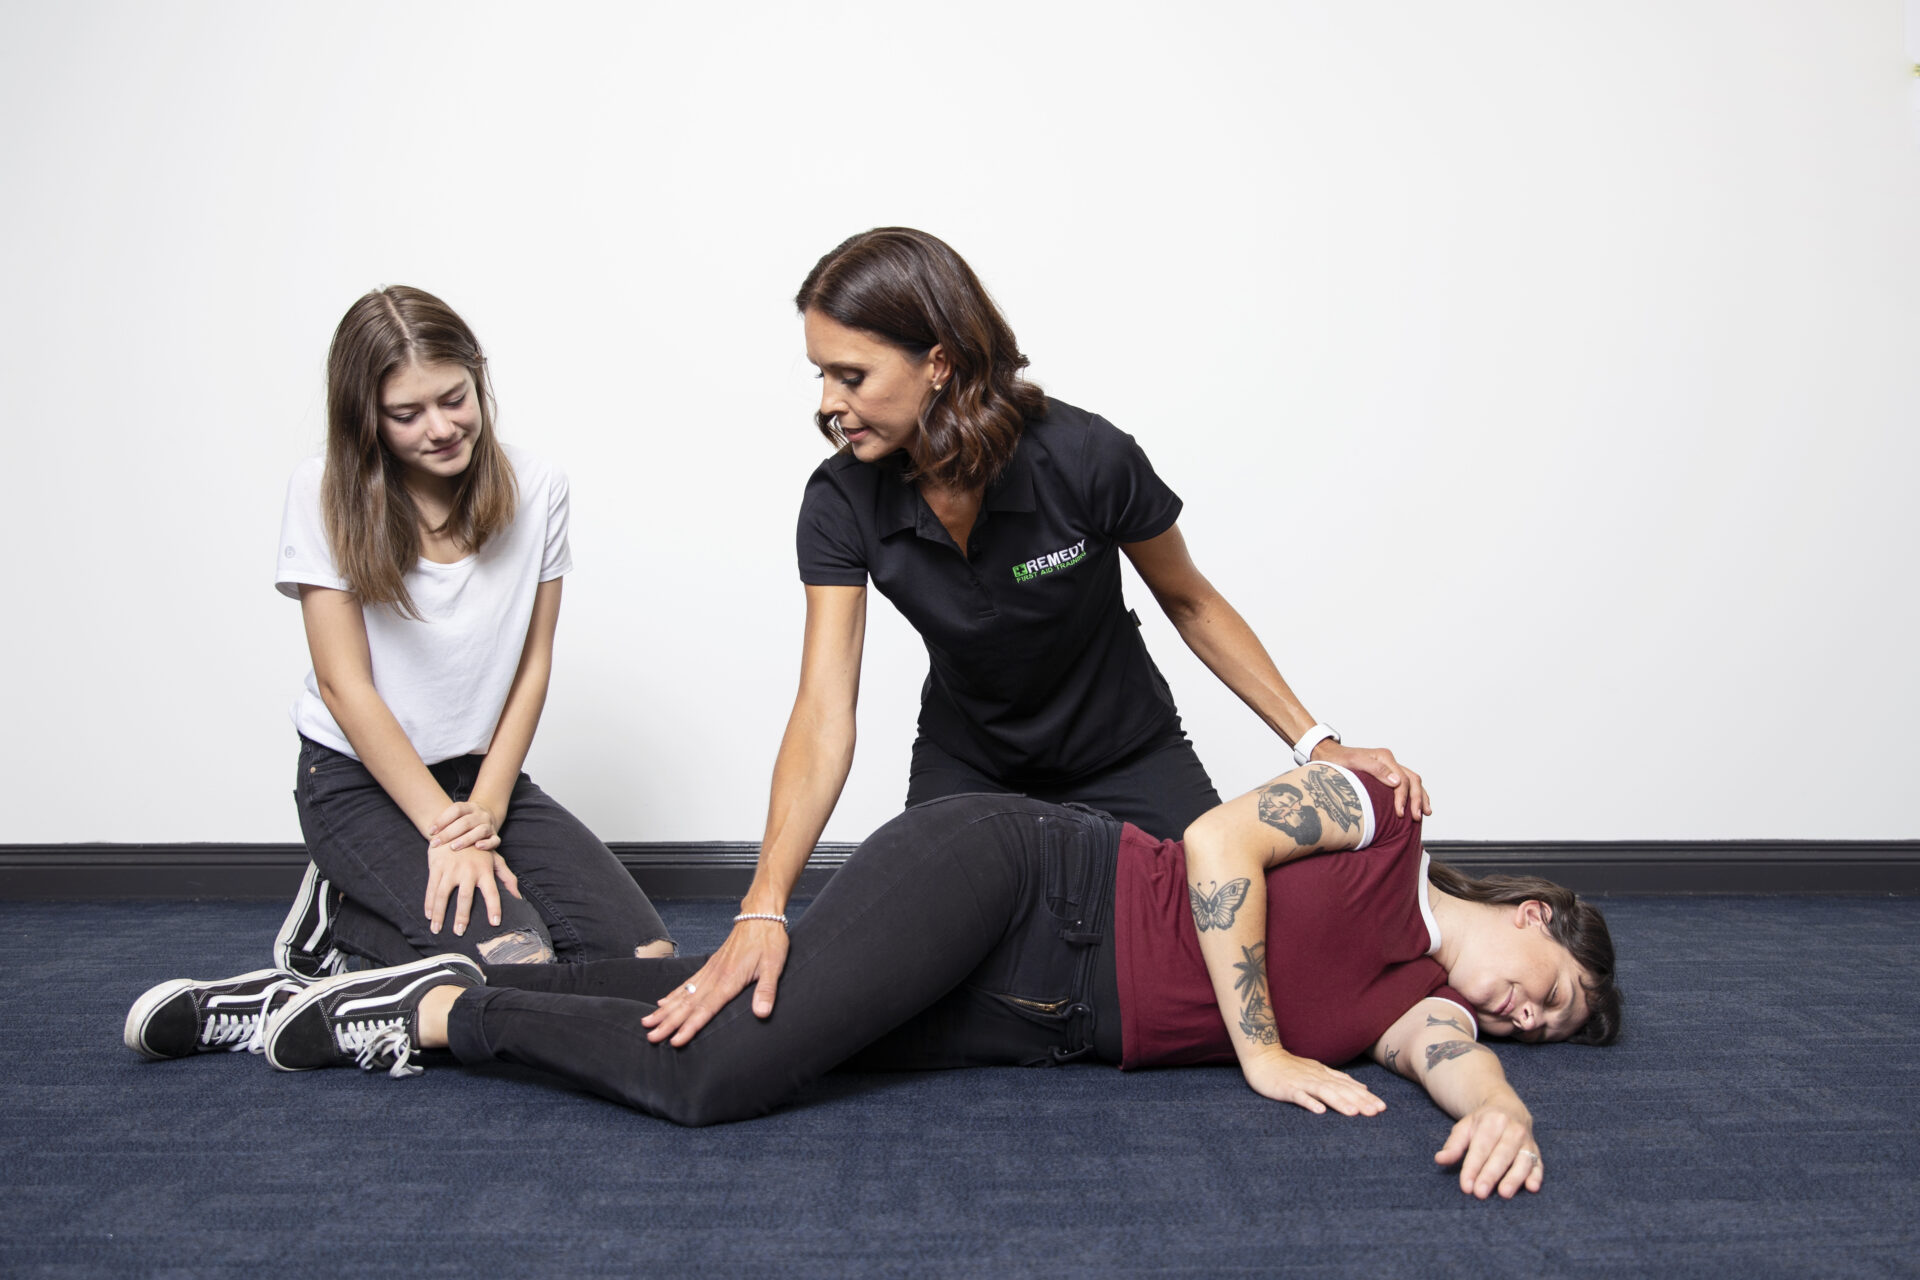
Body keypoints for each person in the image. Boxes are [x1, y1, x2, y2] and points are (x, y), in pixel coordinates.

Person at [130, 761, 1621, 1200]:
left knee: (705, 1009)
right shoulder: (1385, 819)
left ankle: (333, 1007)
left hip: (1028, 1019)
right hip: (1018, 883)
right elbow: (1223, 842)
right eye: (1546, 991)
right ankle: (448, 1009)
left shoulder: (1404, 1006)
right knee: (717, 1081)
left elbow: (1443, 1055)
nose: (1518, 1021)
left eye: (1540, 1037)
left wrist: (1506, 1113)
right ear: (1542, 910)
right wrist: (1255, 1048)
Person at [665, 227, 1435, 1041]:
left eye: (850, 375)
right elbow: (824, 710)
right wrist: (763, 905)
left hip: (1127, 752)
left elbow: (1190, 600)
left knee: (1226, 946)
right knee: (911, 973)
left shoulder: (1085, 457)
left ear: (939, 362)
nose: (826, 401)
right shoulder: (839, 501)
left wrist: (1315, 743)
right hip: (973, 765)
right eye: (821, 374)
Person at [263, 285, 673, 979]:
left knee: (643, 960)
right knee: (517, 965)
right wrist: (445, 830)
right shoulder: (322, 489)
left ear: (477, 378)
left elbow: (532, 665)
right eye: (406, 413)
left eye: (454, 398)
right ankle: (335, 925)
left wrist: (483, 807)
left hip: (478, 775)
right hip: (358, 779)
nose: (441, 427)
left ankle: (370, 909)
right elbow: (343, 683)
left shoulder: (538, 486)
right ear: (366, 417)